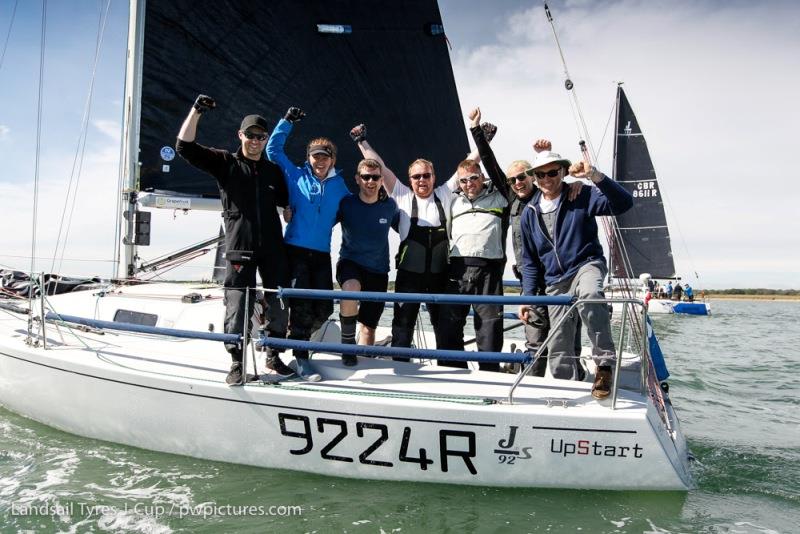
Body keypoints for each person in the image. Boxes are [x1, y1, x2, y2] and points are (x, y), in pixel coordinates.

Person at [176, 95, 292, 386]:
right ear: (240, 135)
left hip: (273, 248)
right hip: (240, 248)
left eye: (260, 136)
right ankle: (237, 362)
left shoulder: (273, 172)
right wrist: (197, 111)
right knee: (238, 303)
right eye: (250, 135)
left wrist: (290, 209)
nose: (255, 141)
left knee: (279, 299)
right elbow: (184, 148)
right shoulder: (226, 163)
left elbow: (285, 202)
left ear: (266, 139)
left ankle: (274, 355)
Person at [351, 124, 490, 354]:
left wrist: (482, 140)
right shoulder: (402, 195)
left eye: (426, 175)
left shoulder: (445, 194)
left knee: (445, 329)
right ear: (410, 179)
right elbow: (381, 167)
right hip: (409, 279)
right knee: (402, 328)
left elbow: (468, 166)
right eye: (416, 176)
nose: (422, 180)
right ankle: (400, 368)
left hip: (440, 278)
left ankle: (449, 372)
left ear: (434, 177)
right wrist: (361, 141)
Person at [519, 150, 633, 399]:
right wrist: (527, 297)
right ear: (535, 177)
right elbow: (529, 261)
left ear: (562, 171)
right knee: (559, 342)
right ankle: (566, 390)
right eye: (541, 174)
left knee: (591, 294)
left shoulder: (581, 195)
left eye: (552, 172)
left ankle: (604, 366)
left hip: (586, 265)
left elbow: (624, 203)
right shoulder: (529, 212)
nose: (547, 178)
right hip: (555, 281)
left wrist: (593, 176)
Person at [266, 107, 351, 381]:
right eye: (315, 156)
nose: (319, 161)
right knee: (302, 305)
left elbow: (355, 207)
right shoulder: (296, 176)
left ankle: (296, 339)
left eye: (324, 157)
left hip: (322, 253)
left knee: (324, 307)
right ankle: (301, 357)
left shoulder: (340, 186)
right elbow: (273, 151)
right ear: (308, 158)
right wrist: (287, 122)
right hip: (296, 251)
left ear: (332, 159)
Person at [437, 108, 511, 371]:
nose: (469, 183)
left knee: (489, 329)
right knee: (449, 326)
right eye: (464, 180)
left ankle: (490, 376)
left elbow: (492, 164)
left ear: (483, 178)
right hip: (457, 268)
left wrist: (477, 132)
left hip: (490, 270)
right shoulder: (452, 200)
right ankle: (452, 373)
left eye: (474, 178)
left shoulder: (500, 196)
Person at [506, 144, 583, 378]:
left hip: (560, 279)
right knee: (535, 342)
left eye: (523, 177)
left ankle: (574, 383)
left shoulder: (550, 194)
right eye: (513, 180)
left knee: (568, 340)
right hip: (531, 283)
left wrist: (575, 181)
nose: (518, 182)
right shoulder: (515, 203)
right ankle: (532, 386)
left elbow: (556, 174)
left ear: (532, 177)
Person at [336, 158, 398, 366]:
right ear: (357, 179)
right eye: (365, 177)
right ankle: (347, 346)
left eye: (375, 177)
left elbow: (409, 230)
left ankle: (364, 361)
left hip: (379, 270)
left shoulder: (390, 206)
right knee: (351, 288)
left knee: (368, 327)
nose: (370, 181)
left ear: (381, 180)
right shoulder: (346, 203)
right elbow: (319, 219)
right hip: (350, 262)